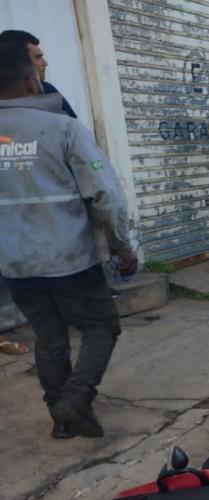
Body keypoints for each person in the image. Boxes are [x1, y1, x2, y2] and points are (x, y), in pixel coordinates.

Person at [0, 42, 137, 438]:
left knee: (49, 336)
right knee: (102, 328)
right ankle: (75, 400)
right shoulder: (62, 128)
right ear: (31, 81)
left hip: (16, 265)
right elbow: (106, 194)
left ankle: (62, 421)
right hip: (69, 259)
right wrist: (121, 244)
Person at [0, 30, 76, 118]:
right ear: (19, 60)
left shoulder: (48, 89)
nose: (45, 63)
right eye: (38, 57)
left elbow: (71, 121)